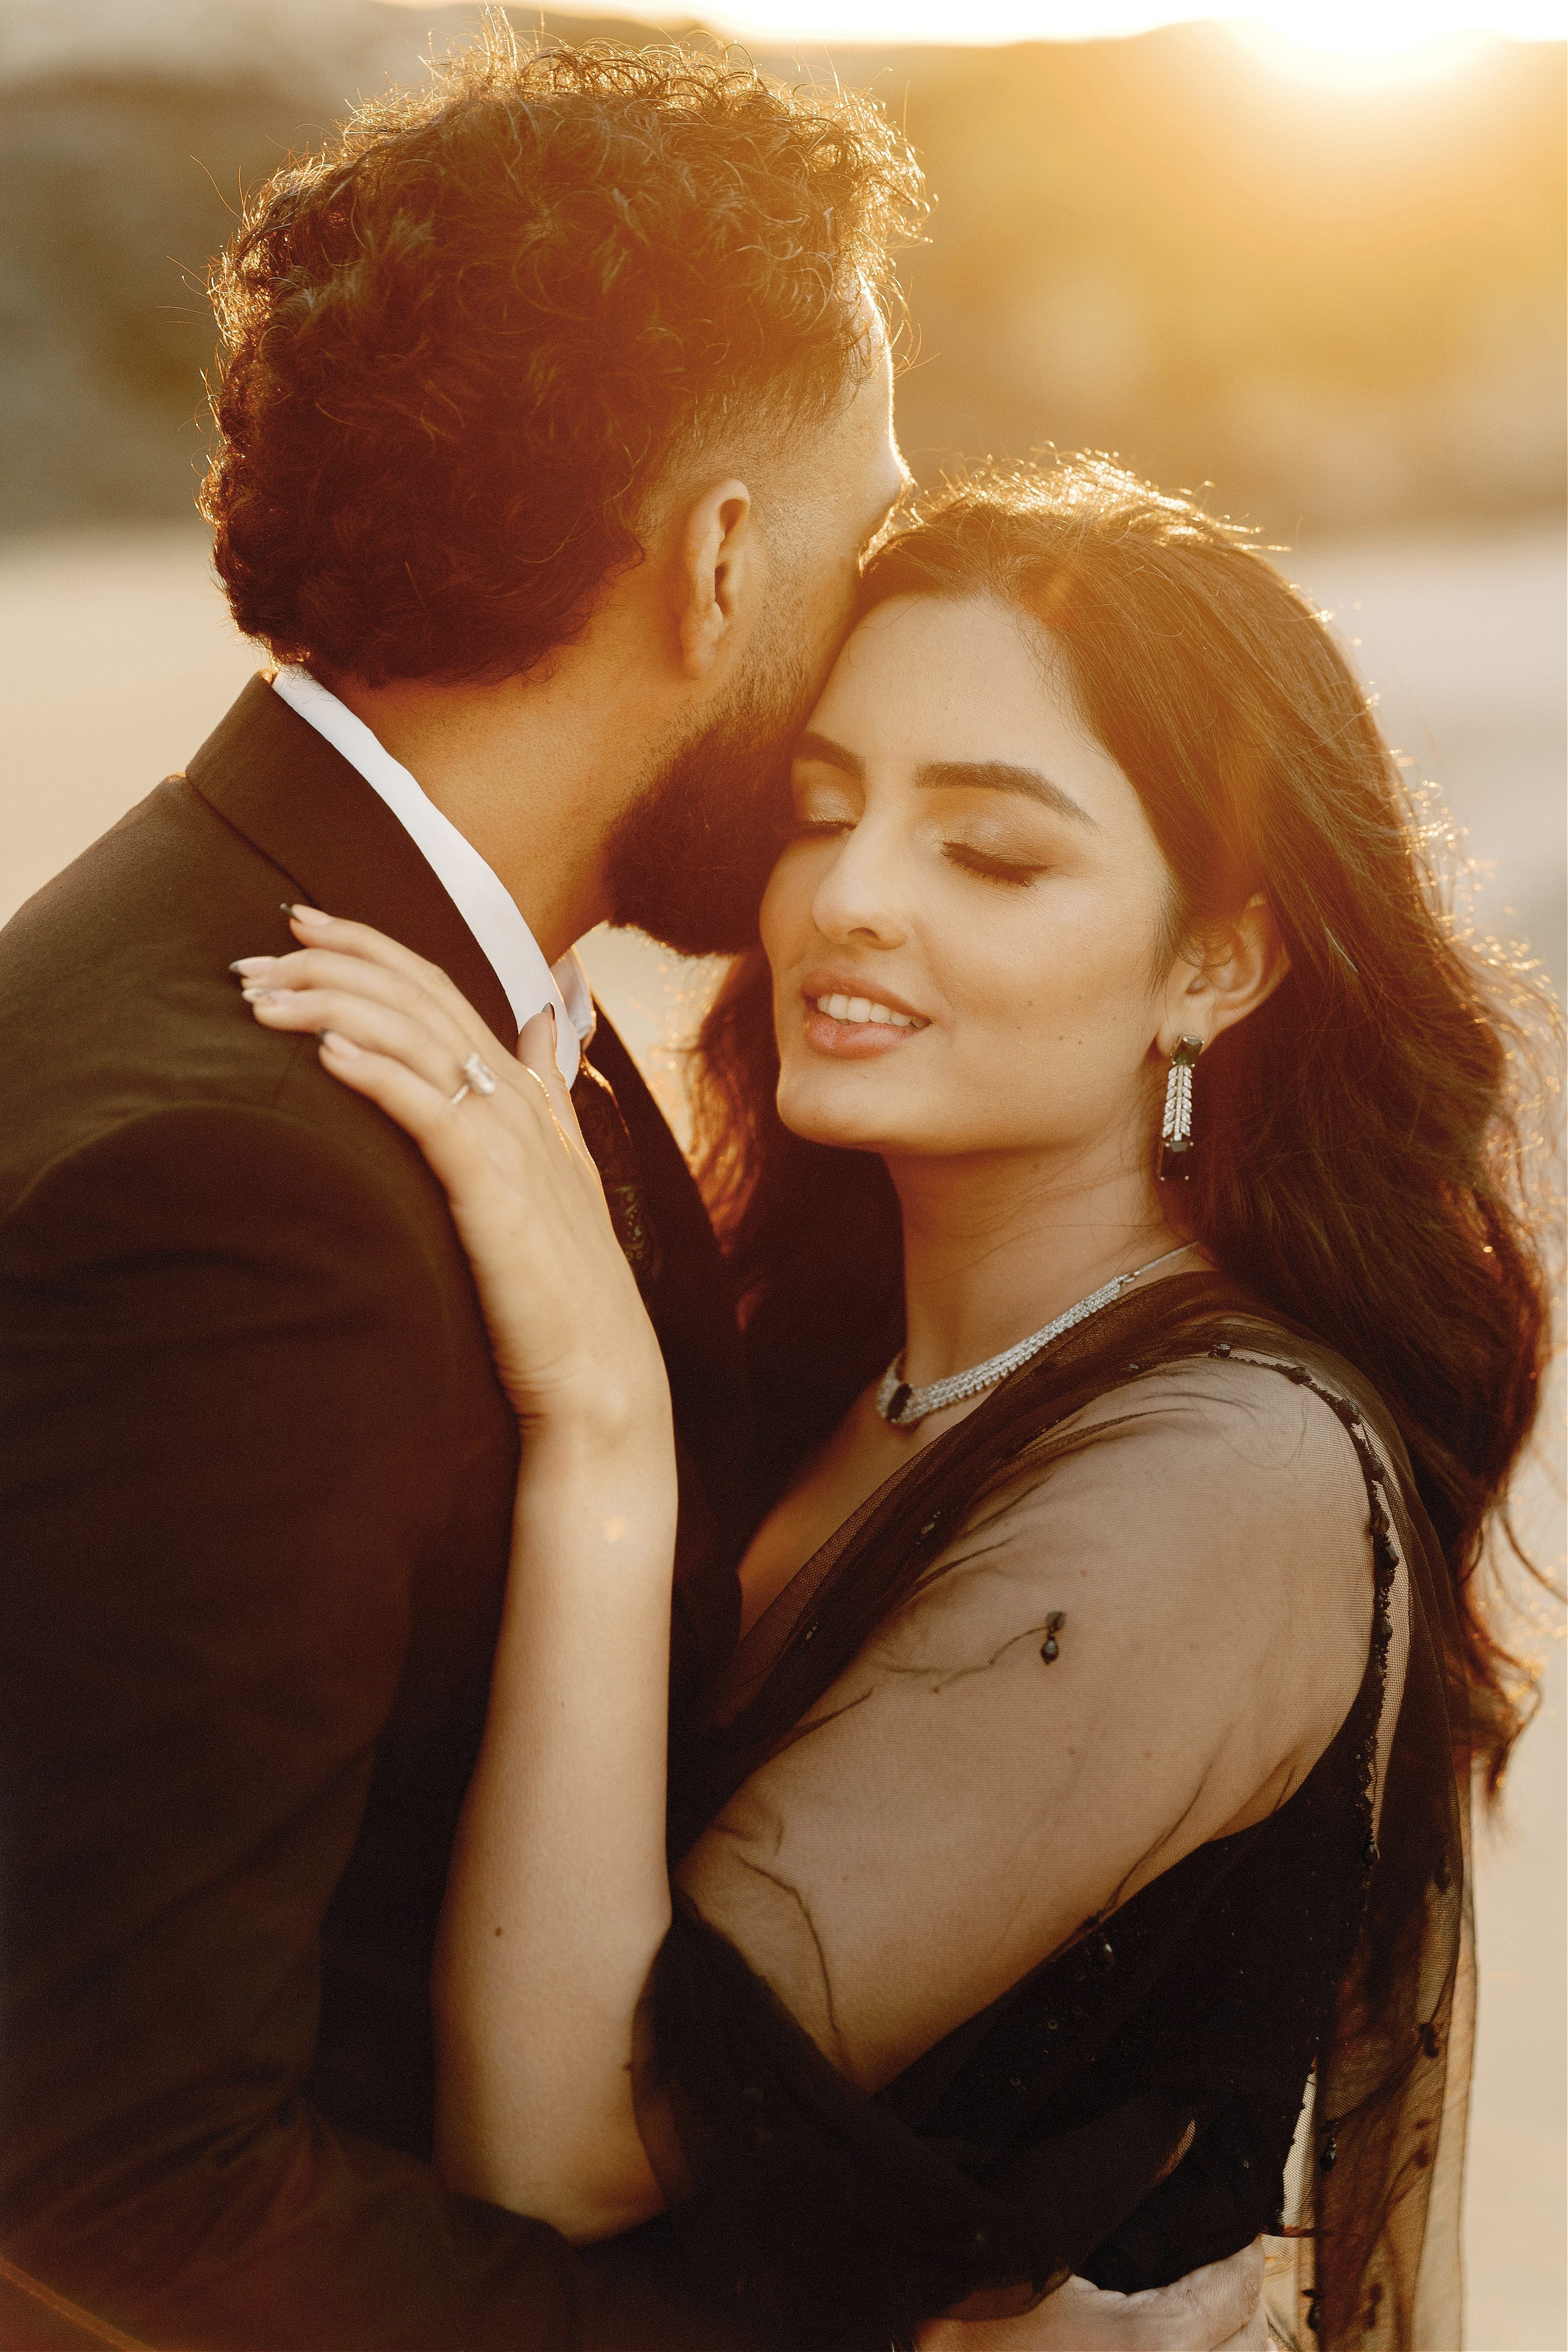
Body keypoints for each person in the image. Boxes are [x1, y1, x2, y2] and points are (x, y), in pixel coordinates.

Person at [0, 34, 1263, 2352]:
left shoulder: (393, 990)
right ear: (720, 562)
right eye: (865, 530)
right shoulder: (243, 1176)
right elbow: (117, 2173)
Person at [232, 459, 1552, 2352]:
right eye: (822, 811)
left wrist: (601, 1429)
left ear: (1215, 963)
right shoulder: (821, 1358)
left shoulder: (1226, 1484)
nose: (848, 900)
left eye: (990, 854)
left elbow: (563, 2147)